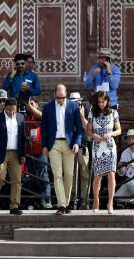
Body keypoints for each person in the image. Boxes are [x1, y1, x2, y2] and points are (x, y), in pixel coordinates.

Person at [37, 84, 83, 215]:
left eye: (63, 97)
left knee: (69, 175)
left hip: (69, 144)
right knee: (57, 175)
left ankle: (66, 203)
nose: (60, 100)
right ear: (55, 95)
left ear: (66, 95)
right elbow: (44, 128)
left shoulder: (74, 106)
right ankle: (62, 205)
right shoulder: (48, 107)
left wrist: (77, 143)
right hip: (54, 144)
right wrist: (44, 145)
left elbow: (79, 128)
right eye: (58, 97)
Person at [0, 98, 26, 215]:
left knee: (17, 180)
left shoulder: (20, 118)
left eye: (13, 110)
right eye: (9, 110)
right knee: (0, 177)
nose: (11, 112)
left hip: (15, 153)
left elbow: (23, 138)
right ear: (4, 107)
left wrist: (23, 154)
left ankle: (14, 205)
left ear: (16, 108)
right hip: (0, 152)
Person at [86, 91, 121, 214]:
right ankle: (96, 200)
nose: (101, 104)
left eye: (103, 101)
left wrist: (110, 134)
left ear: (107, 101)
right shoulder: (92, 112)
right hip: (97, 146)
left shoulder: (113, 113)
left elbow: (119, 130)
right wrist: (94, 135)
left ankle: (110, 203)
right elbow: (88, 130)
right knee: (97, 176)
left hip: (110, 146)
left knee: (111, 174)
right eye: (99, 102)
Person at [25, 99, 51, 209]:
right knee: (32, 177)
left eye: (32, 103)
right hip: (29, 151)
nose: (29, 106)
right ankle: (35, 201)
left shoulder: (41, 114)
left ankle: (46, 199)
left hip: (40, 150)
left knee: (43, 175)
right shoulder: (25, 117)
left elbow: (43, 118)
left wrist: (32, 108)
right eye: (28, 104)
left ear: (37, 104)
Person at [68, 92, 91, 210]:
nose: (75, 105)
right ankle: (71, 200)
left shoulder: (86, 111)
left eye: (77, 103)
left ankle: (84, 200)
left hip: (83, 145)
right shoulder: (67, 112)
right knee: (71, 174)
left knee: (84, 174)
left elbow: (88, 129)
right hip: (70, 146)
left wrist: (81, 115)